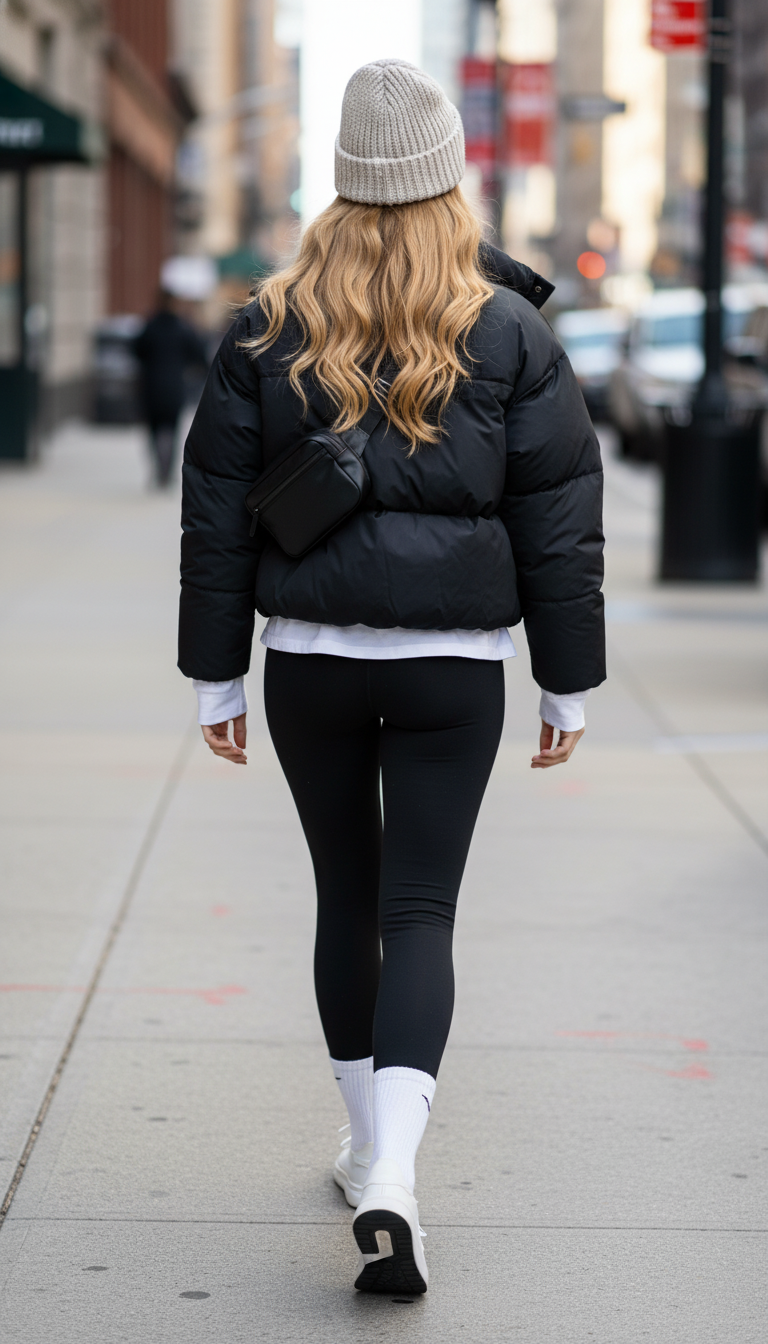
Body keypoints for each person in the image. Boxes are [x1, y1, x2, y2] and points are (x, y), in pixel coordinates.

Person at [178, 59, 605, 1295]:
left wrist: (216, 677)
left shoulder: (268, 326)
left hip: (312, 664)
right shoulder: (509, 328)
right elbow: (559, 520)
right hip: (451, 671)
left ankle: (367, 1148)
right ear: (446, 181)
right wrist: (566, 682)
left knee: (346, 901)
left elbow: (216, 514)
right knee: (421, 911)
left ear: (342, 183)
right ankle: (395, 1177)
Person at [134, 291, 208, 487]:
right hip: (174, 387)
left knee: (153, 430)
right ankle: (166, 473)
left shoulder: (150, 326)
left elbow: (137, 350)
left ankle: (158, 469)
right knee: (172, 430)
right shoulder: (182, 328)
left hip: (151, 387)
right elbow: (199, 354)